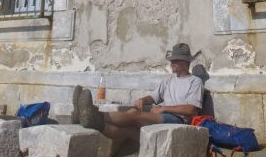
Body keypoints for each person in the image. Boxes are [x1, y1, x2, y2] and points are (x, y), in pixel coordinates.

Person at [73, 43, 204, 143]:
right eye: (172, 60)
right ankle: (91, 121)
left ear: (185, 62)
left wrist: (163, 108)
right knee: (128, 129)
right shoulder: (168, 80)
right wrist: (143, 100)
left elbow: (191, 109)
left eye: (175, 60)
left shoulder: (195, 82)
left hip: (178, 120)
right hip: (163, 115)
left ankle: (93, 114)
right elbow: (153, 97)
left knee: (135, 114)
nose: (172, 63)